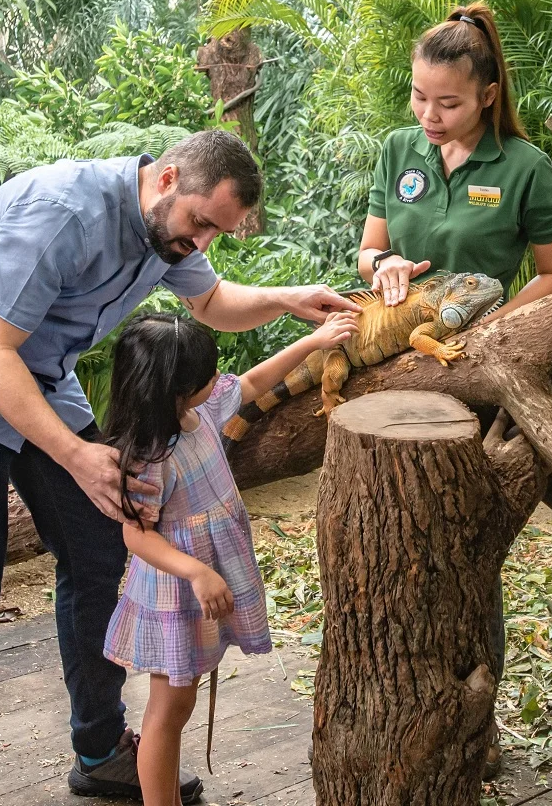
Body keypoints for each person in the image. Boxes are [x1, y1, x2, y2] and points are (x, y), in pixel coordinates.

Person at [0, 129, 361, 806]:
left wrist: (289, 299)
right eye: (200, 225)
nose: (200, 244)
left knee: (101, 550)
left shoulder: (169, 230)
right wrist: (77, 454)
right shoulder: (64, 213)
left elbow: (211, 303)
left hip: (40, 373)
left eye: (215, 234)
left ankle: (100, 746)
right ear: (166, 180)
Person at [358, 3, 552, 776]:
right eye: (418, 97)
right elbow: (370, 249)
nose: (429, 115)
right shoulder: (398, 149)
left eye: (447, 101)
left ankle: (476, 718)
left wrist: (489, 339)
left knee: (467, 550)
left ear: (485, 93)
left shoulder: (524, 166)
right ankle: (404, 709)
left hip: (475, 376)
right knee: (394, 540)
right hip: (395, 365)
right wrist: (380, 268)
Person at [101, 309, 359, 806]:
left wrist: (316, 340)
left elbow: (253, 381)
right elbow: (137, 538)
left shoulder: (200, 411)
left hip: (205, 582)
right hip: (179, 592)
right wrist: (196, 571)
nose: (217, 380)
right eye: (206, 376)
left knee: (181, 699)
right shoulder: (149, 457)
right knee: (168, 709)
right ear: (173, 390)